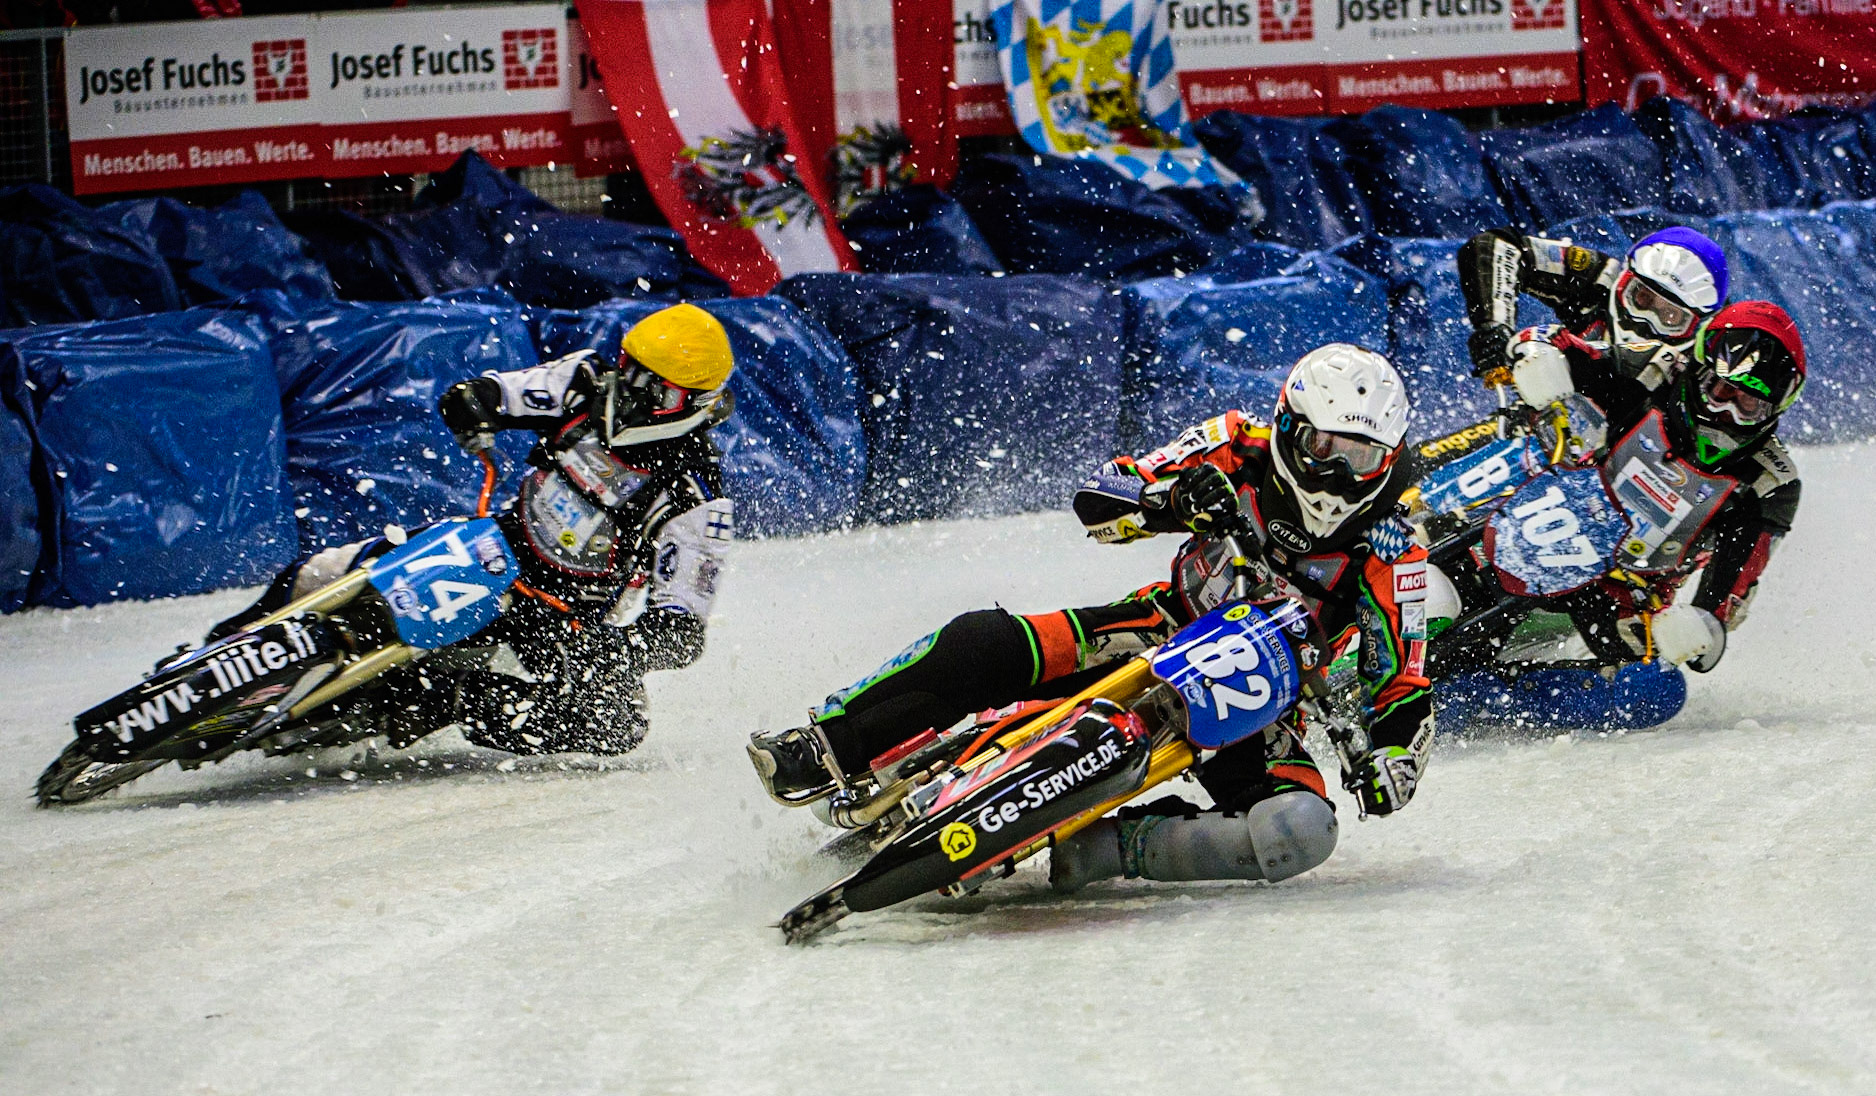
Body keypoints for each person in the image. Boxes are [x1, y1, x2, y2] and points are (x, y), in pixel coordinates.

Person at [749, 343, 1434, 893]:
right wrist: (1171, 502)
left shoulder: (1394, 549)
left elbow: (1403, 684)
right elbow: (1100, 494)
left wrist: (1394, 759)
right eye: (1324, 448)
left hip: (1262, 703)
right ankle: (825, 744)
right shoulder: (1234, 443)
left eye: (1361, 457)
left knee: (1301, 828)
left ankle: (1111, 849)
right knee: (985, 641)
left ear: (1391, 456)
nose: (1337, 475)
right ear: (1287, 427)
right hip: (1158, 628)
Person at [213, 303, 738, 757]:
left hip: (566, 614)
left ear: (695, 403)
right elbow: (500, 392)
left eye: (655, 391)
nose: (630, 396)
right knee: (329, 569)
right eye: (630, 372)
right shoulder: (585, 381)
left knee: (615, 724)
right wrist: (472, 402)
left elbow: (682, 630)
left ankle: (446, 696)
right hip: (492, 544)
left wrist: (621, 649)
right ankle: (224, 644)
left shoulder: (698, 499)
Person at [1425, 301, 1806, 730]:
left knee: (1654, 690)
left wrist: (1699, 629)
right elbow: (1555, 343)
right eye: (1721, 392)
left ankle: (1481, 699)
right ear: (1698, 370)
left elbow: (1725, 601)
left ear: (1775, 411)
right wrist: (1537, 358)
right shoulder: (1653, 368)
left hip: (1629, 592)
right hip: (1550, 519)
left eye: (1748, 405)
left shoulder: (1770, 485)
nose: (1725, 413)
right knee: (1439, 562)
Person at [1453, 225, 1729, 434]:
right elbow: (1497, 246)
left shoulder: (1710, 365)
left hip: (1637, 471)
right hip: (1546, 423)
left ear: (1697, 326)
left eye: (1670, 316)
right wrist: (1494, 325)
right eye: (1642, 298)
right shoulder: (1601, 277)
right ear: (1624, 279)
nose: (1644, 321)